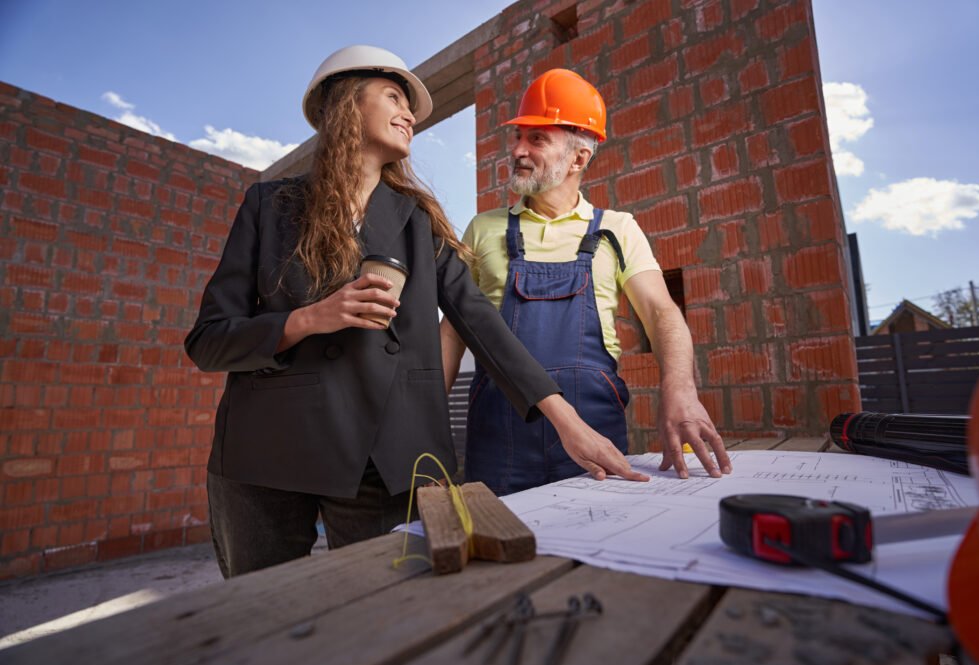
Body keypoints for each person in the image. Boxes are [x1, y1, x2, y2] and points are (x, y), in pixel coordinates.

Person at [185, 47, 649, 578]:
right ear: (345, 105)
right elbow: (209, 340)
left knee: (384, 615)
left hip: (383, 461)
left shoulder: (418, 223)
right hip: (268, 452)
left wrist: (568, 423)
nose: (410, 113)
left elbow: (482, 324)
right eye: (393, 97)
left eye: (411, 105)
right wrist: (310, 318)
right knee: (258, 620)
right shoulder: (269, 207)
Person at [440, 68, 732, 495]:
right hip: (498, 433)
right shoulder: (484, 228)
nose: (518, 149)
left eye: (537, 139)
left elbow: (660, 311)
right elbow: (453, 330)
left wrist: (681, 387)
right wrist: (425, 417)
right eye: (518, 136)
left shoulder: (618, 228)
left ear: (578, 158)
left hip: (596, 430)